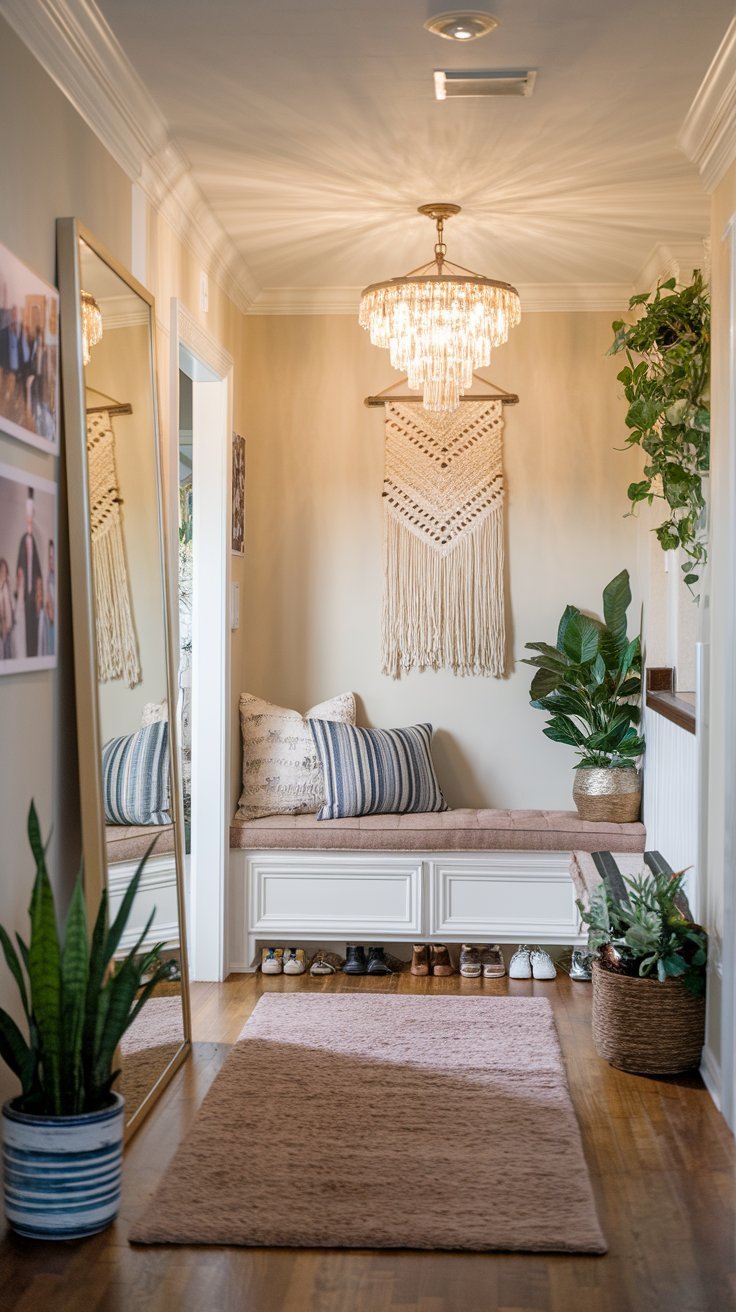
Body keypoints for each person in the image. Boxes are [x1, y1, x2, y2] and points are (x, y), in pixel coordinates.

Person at [16, 491, 42, 657]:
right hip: (25, 596)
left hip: (34, 596)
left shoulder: (35, 541)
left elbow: (39, 573)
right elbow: (20, 570)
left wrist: (39, 595)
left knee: (35, 631)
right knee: (25, 633)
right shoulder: (22, 541)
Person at [12, 565, 26, 659]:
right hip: (15, 628)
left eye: (21, 575)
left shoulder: (24, 592)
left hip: (21, 626)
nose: (19, 577)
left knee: (20, 649)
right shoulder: (14, 591)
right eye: (18, 575)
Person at [0, 559, 13, 659]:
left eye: (6, 570)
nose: (5, 573)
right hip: (2, 629)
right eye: (3, 570)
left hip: (8, 629)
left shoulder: (6, 586)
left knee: (9, 655)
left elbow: (9, 606)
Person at [45, 539, 55, 655]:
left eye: (53, 557)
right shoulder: (48, 579)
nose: (50, 561)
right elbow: (50, 614)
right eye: (49, 558)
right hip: (52, 629)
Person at [35, 575, 47, 656]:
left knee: (45, 639)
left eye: (41, 584)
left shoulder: (43, 594)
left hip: (44, 620)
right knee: (40, 640)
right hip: (39, 621)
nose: (39, 586)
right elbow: (37, 612)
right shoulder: (36, 596)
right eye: (38, 584)